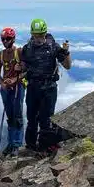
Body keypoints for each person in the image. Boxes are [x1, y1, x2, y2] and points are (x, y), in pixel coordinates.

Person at [21, 18, 72, 153]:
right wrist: (19, 68)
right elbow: (24, 67)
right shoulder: (27, 49)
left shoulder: (53, 47)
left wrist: (66, 52)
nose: (38, 38)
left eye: (40, 35)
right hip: (33, 87)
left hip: (49, 88)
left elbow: (67, 66)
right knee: (31, 119)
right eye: (36, 35)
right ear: (32, 34)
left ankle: (45, 147)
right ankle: (31, 146)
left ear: (45, 33)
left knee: (46, 119)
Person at [0, 27, 26, 155]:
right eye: (3, 39)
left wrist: (15, 79)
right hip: (6, 89)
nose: (5, 41)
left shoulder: (20, 52)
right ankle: (11, 143)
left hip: (18, 86)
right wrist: (2, 83)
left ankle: (16, 145)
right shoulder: (0, 55)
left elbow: (26, 71)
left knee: (17, 116)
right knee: (10, 116)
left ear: (13, 39)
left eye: (7, 38)